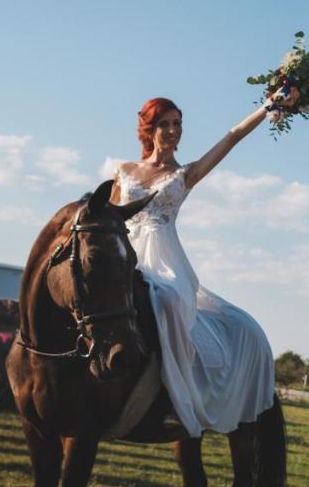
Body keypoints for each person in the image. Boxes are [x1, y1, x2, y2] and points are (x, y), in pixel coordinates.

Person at [111, 92, 297, 437]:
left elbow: (233, 136)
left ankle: (173, 399)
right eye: (164, 124)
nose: (172, 130)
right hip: (125, 253)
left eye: (177, 124)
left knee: (165, 303)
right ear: (149, 128)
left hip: (165, 264)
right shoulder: (124, 171)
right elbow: (109, 219)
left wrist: (269, 105)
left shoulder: (185, 174)